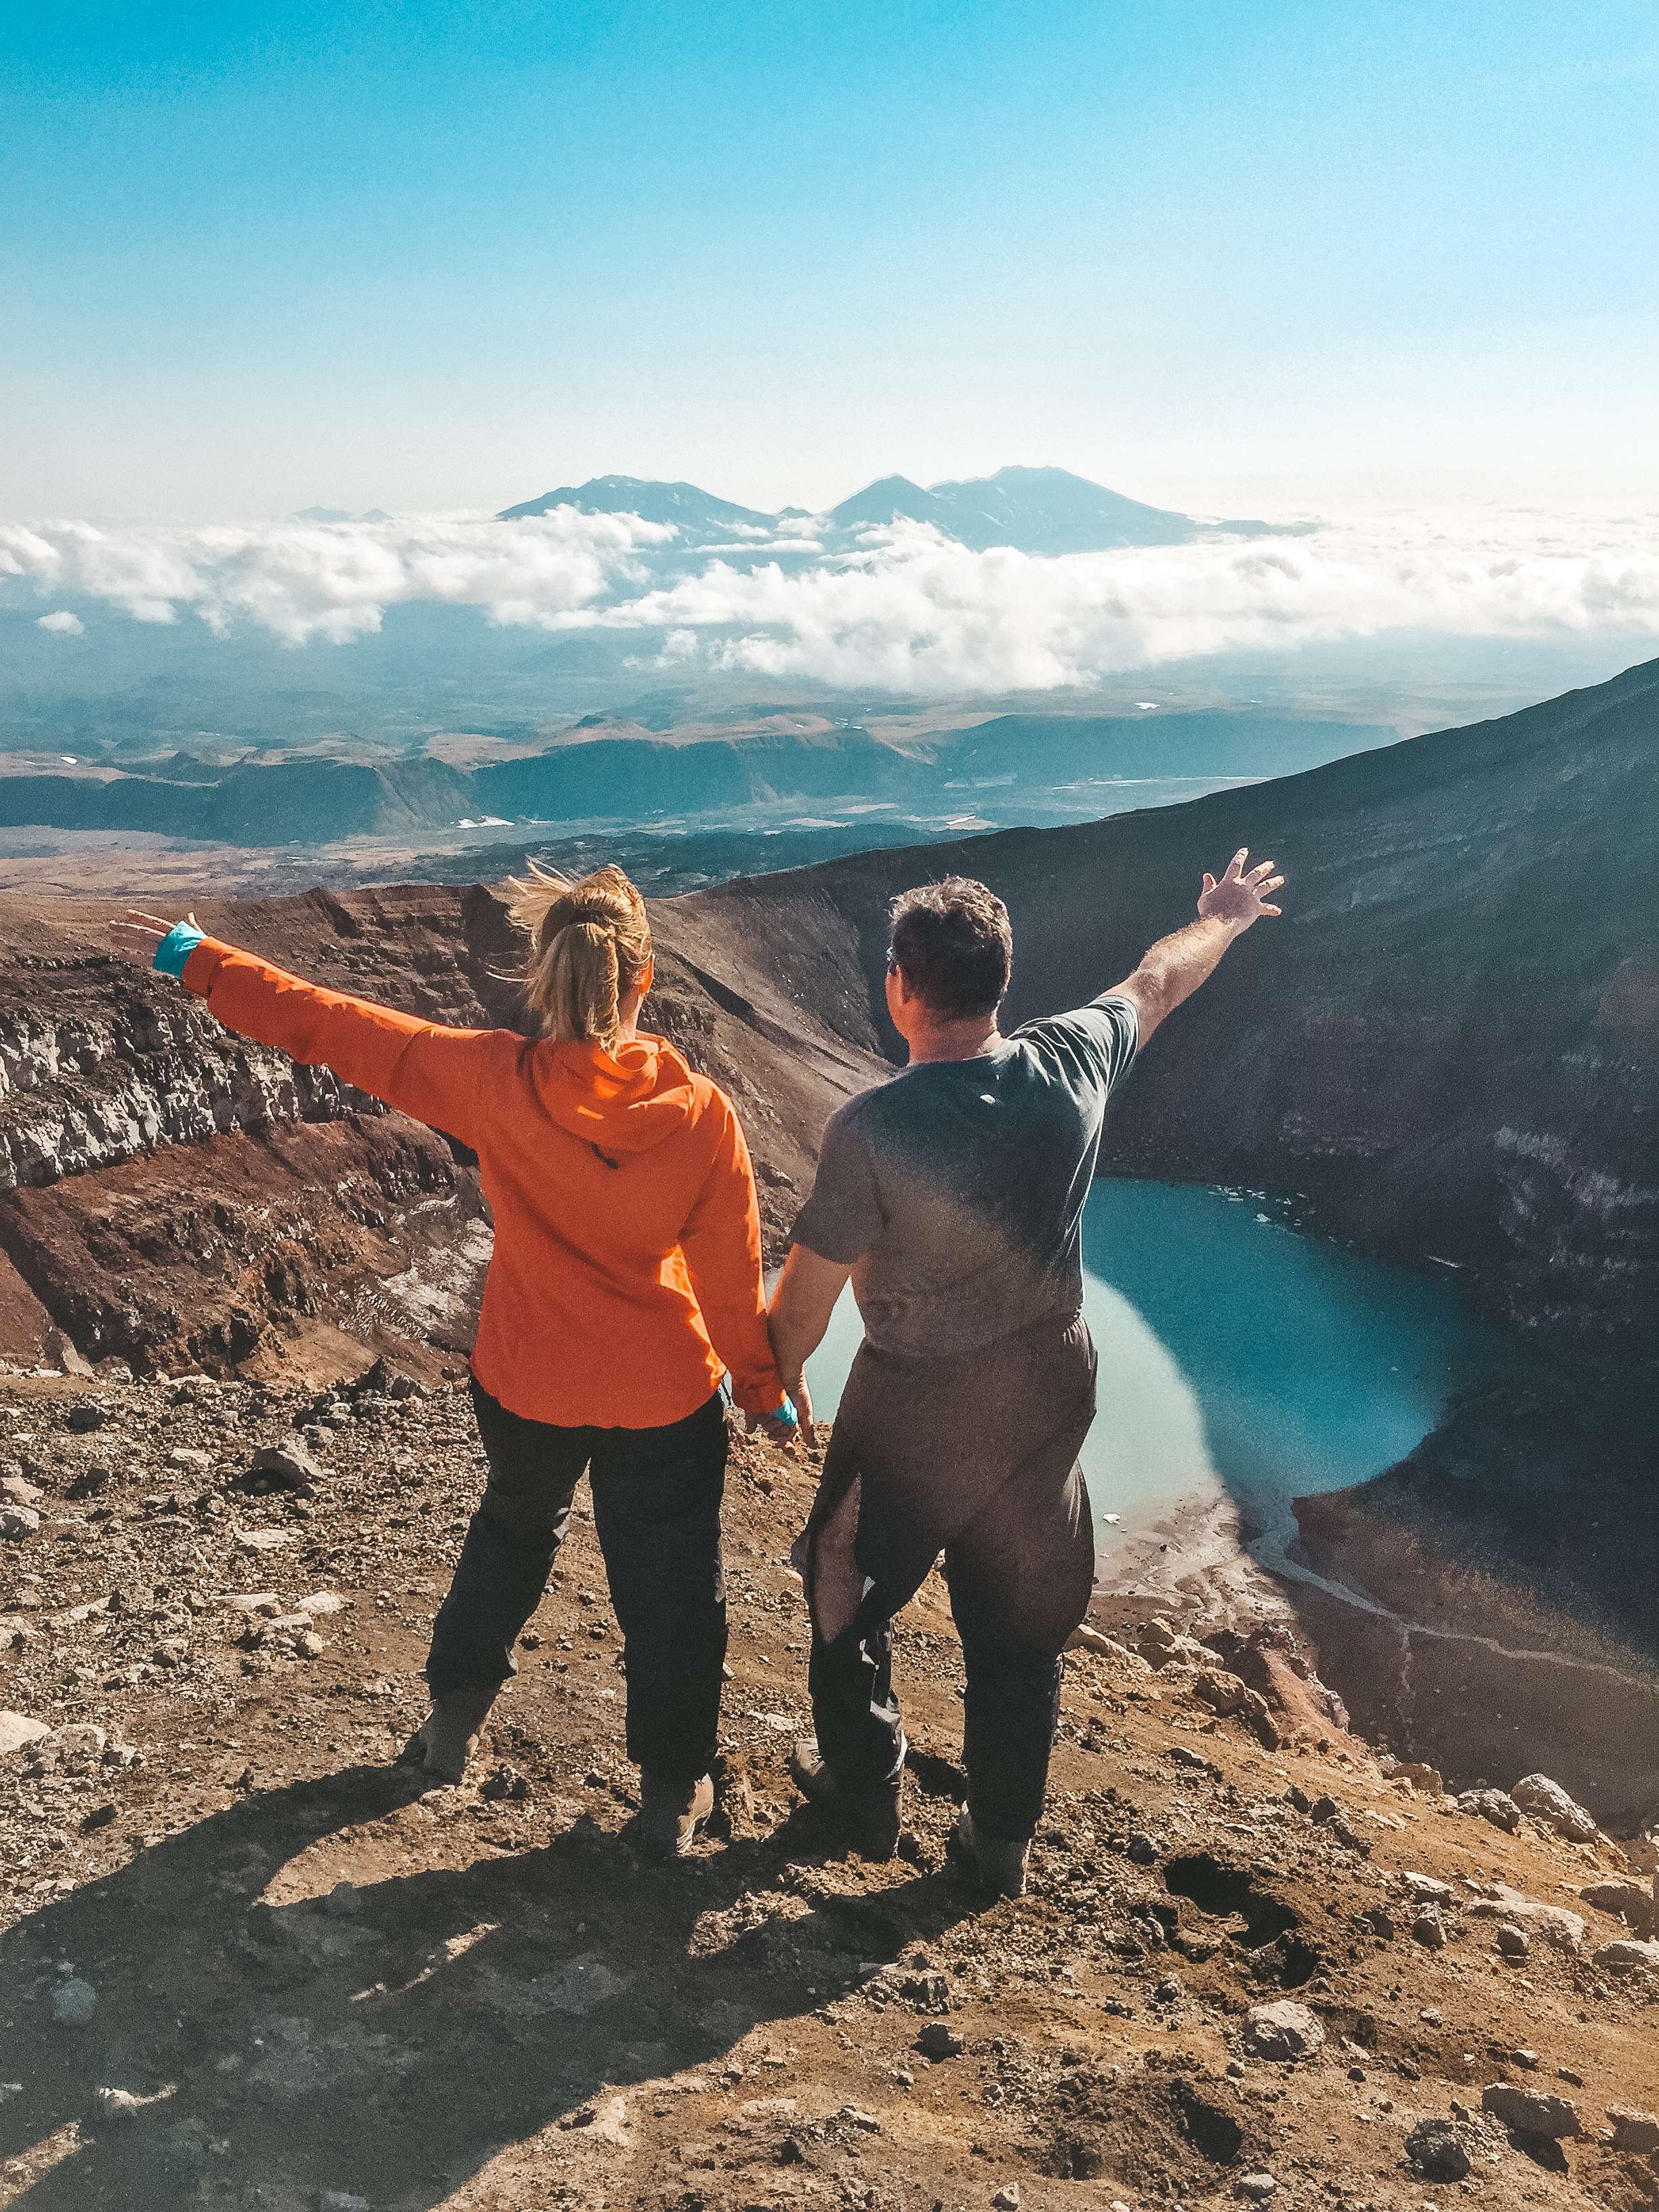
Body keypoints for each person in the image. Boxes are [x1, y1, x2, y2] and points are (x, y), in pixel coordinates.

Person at [112, 865, 797, 1860]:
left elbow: (333, 1025)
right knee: (673, 1590)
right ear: (642, 982)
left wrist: (199, 960)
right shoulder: (702, 1118)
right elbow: (732, 1285)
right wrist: (765, 1394)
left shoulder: (491, 1079)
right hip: (662, 1400)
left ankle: (448, 1736)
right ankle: (668, 1796)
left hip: (525, 1384)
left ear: (545, 980)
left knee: (513, 1536)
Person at [766, 848, 1286, 1896]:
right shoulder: (1073, 1060)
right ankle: (997, 1842)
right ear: (1001, 982)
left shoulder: (870, 1129)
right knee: (1018, 1616)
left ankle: (864, 1785)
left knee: (841, 1579)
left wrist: (773, 1383)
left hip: (913, 1397)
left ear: (901, 988)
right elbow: (1158, 978)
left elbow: (805, 1302)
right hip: (1049, 1382)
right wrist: (1223, 917)